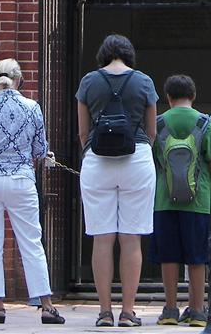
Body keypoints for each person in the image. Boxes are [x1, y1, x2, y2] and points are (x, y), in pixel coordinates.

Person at [0, 58, 64, 325]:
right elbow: (40, 151)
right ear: (19, 80)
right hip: (21, 179)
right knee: (31, 241)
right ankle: (46, 305)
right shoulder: (32, 108)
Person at [76, 34, 158, 327]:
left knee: (102, 237)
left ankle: (104, 312)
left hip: (98, 161)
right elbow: (151, 131)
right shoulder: (144, 82)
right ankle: (127, 311)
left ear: (103, 54)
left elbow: (83, 133)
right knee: (131, 237)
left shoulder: (88, 82)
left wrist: (94, 149)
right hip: (136, 157)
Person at [151, 75, 211, 328]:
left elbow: (154, 160)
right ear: (193, 95)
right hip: (198, 201)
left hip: (165, 200)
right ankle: (198, 311)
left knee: (169, 255)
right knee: (197, 256)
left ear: (168, 97)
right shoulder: (206, 123)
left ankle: (170, 309)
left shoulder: (158, 123)